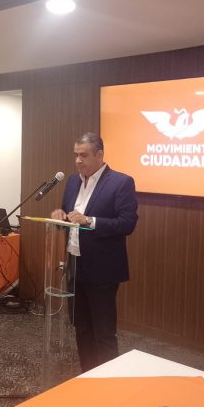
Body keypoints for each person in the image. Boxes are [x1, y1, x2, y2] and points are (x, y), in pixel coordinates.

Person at [51, 132, 138, 372]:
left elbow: (127, 223)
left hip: (102, 269)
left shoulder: (121, 182)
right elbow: (70, 216)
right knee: (81, 327)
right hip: (74, 265)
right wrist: (60, 216)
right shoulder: (72, 181)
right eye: (75, 155)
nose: (78, 160)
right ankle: (88, 375)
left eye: (84, 155)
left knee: (103, 333)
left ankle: (107, 383)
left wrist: (90, 220)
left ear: (99, 155)